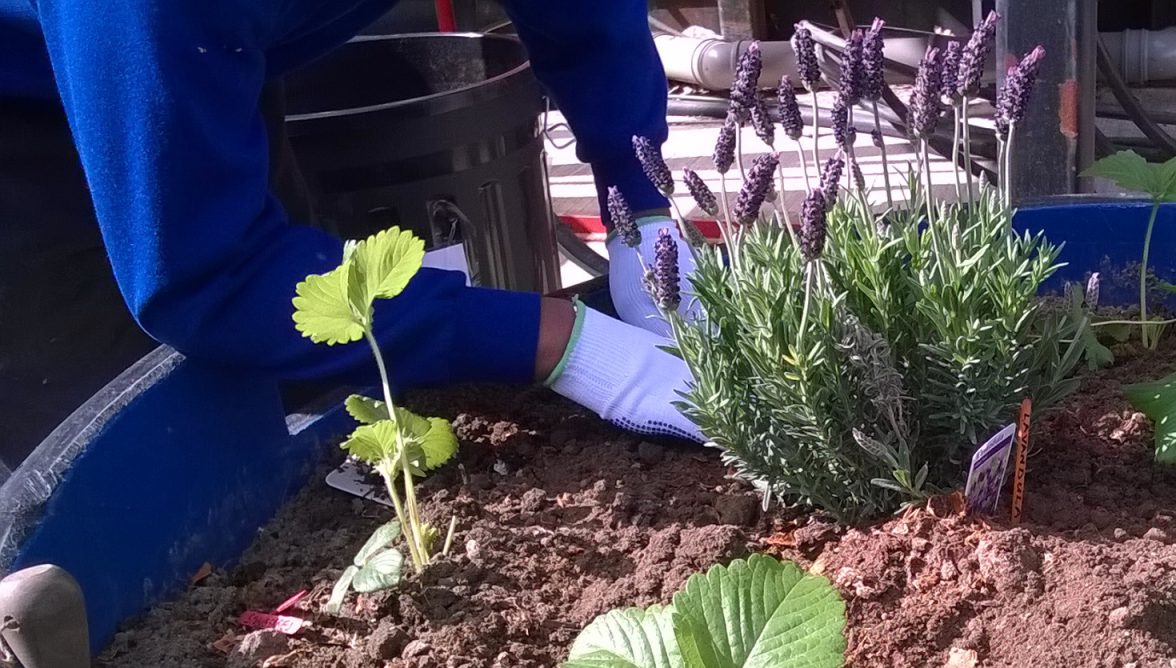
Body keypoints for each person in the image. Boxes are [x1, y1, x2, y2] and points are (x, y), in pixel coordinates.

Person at [0, 0, 704, 482]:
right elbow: (209, 276)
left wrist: (638, 205)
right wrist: (569, 344)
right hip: (29, 113)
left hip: (210, 47)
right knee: (129, 467)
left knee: (299, 399)